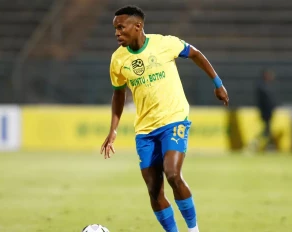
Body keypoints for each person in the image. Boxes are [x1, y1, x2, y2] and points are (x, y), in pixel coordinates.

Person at [100, 6, 229, 232]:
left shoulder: (165, 43)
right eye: (115, 29)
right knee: (154, 189)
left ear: (138, 26)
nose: (116, 33)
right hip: (145, 131)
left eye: (121, 27)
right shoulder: (118, 60)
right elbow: (119, 94)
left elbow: (196, 54)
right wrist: (113, 129)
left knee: (173, 174)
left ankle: (193, 230)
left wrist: (217, 83)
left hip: (174, 119)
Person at [254, 69, 277, 151]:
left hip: (268, 113)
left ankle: (267, 146)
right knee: (266, 131)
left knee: (267, 131)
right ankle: (256, 144)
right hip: (265, 113)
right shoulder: (262, 87)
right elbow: (265, 102)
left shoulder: (265, 86)